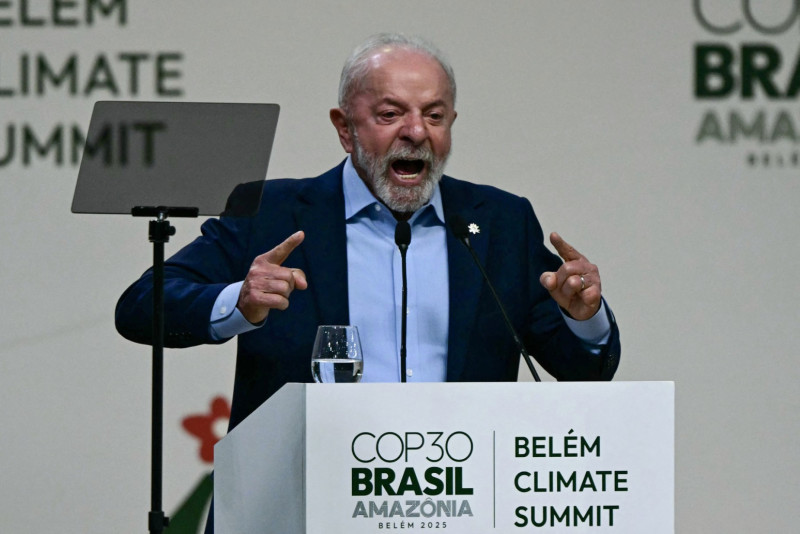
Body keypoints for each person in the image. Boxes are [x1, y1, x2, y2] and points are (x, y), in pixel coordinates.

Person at [116, 32, 620, 435]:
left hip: (458, 499)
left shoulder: (500, 222)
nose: (416, 132)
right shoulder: (272, 213)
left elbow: (584, 370)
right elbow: (141, 306)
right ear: (344, 128)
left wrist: (585, 320)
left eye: (434, 115)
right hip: (303, 496)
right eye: (390, 114)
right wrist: (239, 302)